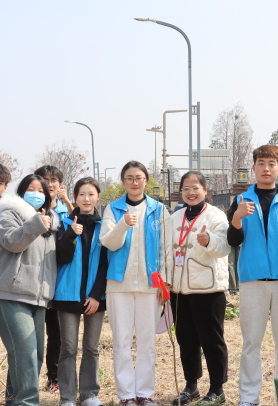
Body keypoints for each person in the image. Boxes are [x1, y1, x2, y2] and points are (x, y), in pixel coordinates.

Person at [226, 145, 278, 406]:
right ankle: (249, 397)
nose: (266, 168)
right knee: (251, 342)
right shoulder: (241, 200)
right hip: (253, 279)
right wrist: (237, 218)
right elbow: (233, 240)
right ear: (254, 167)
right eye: (261, 163)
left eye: (271, 164)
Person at [99, 161, 172, 406]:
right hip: (119, 284)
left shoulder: (159, 210)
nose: (134, 182)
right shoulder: (113, 209)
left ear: (146, 180)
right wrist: (123, 224)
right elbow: (109, 243)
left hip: (151, 285)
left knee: (146, 341)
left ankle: (145, 393)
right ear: (123, 181)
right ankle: (126, 395)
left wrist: (164, 282)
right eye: (129, 178)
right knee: (121, 341)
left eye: (139, 178)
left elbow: (167, 249)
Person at [0, 174, 59, 406]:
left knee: (33, 355)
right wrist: (36, 224)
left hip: (38, 296)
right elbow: (12, 242)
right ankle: (27, 403)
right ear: (21, 192)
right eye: (31, 189)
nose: (36, 194)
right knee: (25, 353)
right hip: (10, 291)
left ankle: (14, 401)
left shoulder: (49, 221)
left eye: (41, 191)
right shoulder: (9, 213)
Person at [166, 171, 230, 406]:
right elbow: (166, 250)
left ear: (205, 190)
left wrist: (209, 240)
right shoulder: (175, 217)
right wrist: (165, 280)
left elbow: (224, 247)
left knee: (212, 340)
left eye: (195, 188)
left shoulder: (216, 215)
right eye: (186, 189)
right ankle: (191, 386)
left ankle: (217, 389)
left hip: (208, 289)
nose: (191, 193)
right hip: (179, 289)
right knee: (186, 339)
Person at [54, 177, 108, 406]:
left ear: (98, 197)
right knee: (68, 348)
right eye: (82, 194)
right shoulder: (63, 224)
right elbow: (59, 257)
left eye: (91, 194)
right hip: (67, 295)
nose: (86, 199)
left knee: (91, 348)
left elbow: (106, 264)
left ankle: (89, 394)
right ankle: (67, 397)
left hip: (95, 297)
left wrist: (96, 295)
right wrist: (70, 235)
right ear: (74, 197)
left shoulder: (104, 226)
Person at [34, 164, 74, 392]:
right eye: (45, 179)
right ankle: (30, 379)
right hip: (37, 279)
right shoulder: (31, 209)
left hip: (60, 281)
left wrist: (67, 202)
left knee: (56, 335)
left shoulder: (66, 211)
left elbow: (79, 224)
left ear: (60, 184)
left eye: (54, 180)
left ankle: (54, 378)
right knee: (34, 335)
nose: (49, 184)